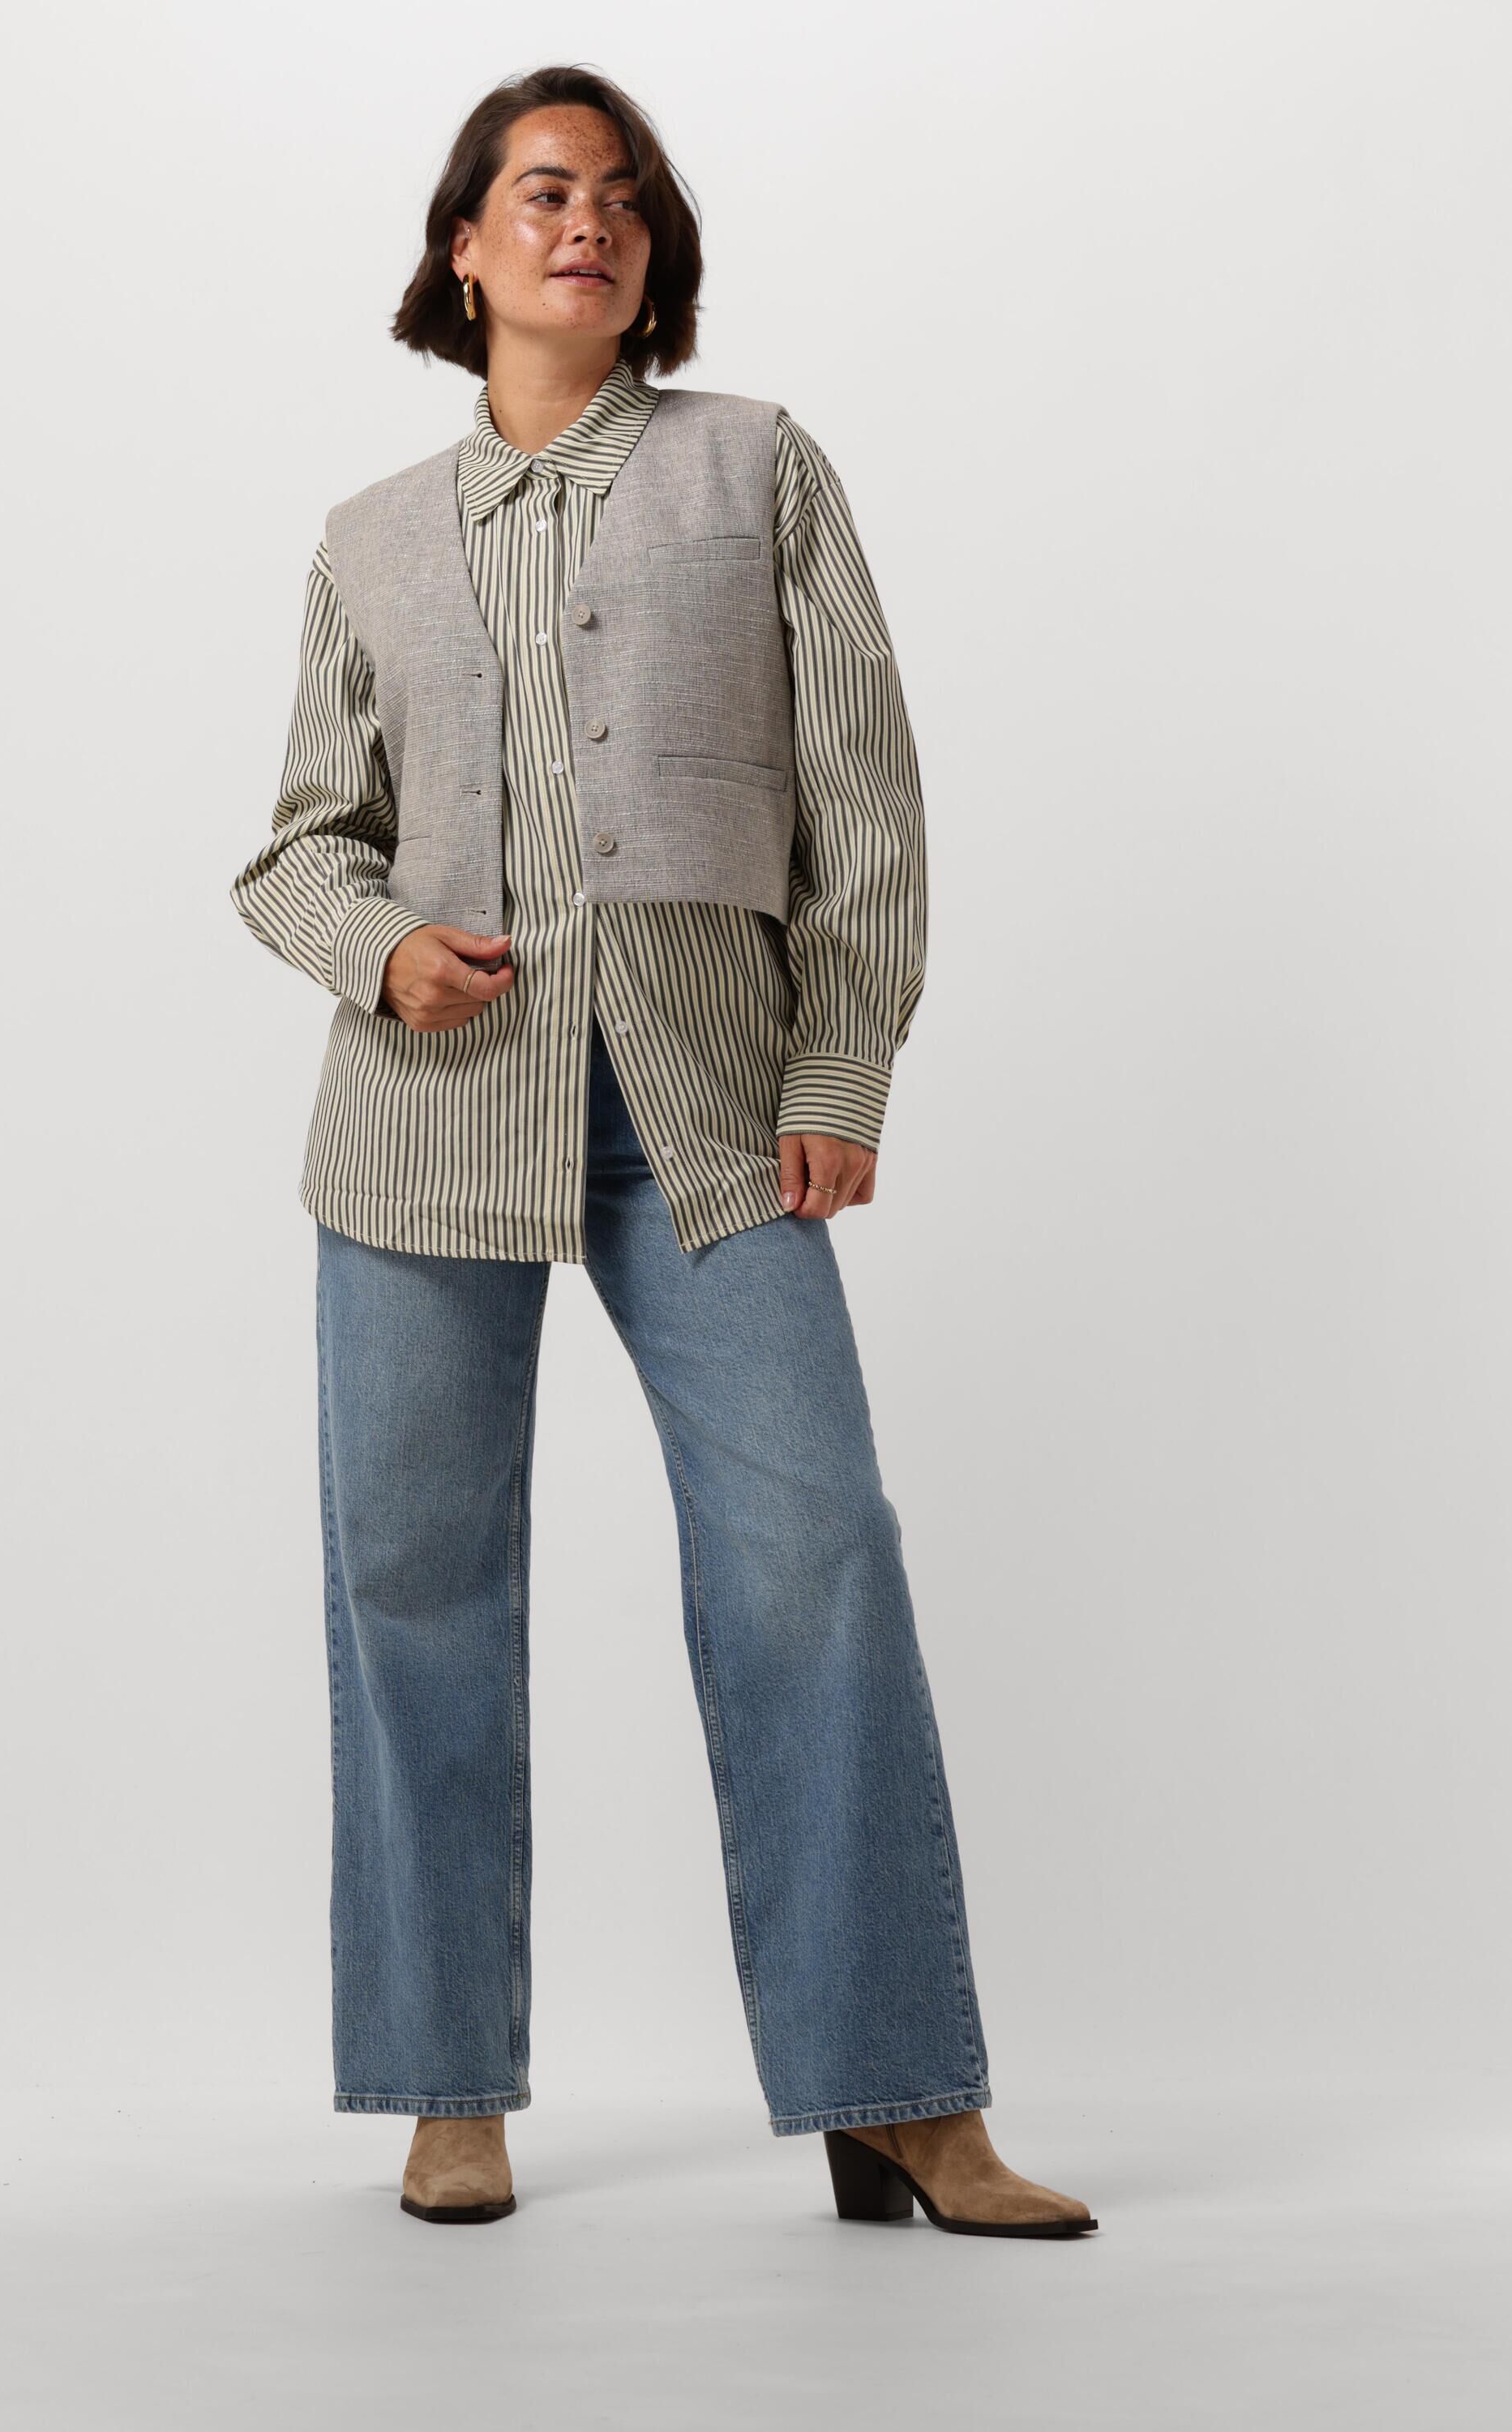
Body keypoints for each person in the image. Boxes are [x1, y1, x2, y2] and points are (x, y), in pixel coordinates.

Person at [229, 63, 1095, 2240]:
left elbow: (862, 791)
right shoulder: (366, 539)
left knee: (812, 1555)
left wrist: (839, 1077)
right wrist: (380, 948)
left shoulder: (757, 467)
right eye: (540, 193)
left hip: (706, 1119)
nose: (583, 224)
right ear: (463, 249)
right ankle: (446, 2085)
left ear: (654, 252)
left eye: (619, 197)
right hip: (426, 1130)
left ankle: (898, 2094)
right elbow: (298, 848)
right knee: (413, 1585)